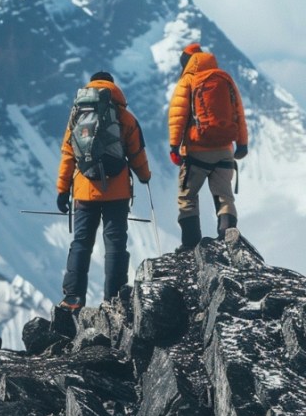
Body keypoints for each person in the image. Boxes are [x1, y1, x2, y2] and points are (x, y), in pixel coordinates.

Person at [56, 71, 151, 310]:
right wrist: (144, 176)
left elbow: (69, 154)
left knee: (81, 243)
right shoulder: (124, 116)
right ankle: (114, 298)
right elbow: (136, 152)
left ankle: (73, 297)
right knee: (115, 244)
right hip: (116, 193)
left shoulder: (77, 116)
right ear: (112, 87)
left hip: (85, 192)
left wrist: (62, 189)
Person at [168, 43, 248, 251]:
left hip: (196, 151)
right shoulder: (224, 78)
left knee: (188, 197)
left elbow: (177, 116)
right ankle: (228, 238)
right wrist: (242, 143)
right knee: (224, 195)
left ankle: (191, 243)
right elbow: (238, 112)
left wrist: (174, 146)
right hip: (224, 150)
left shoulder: (188, 81)